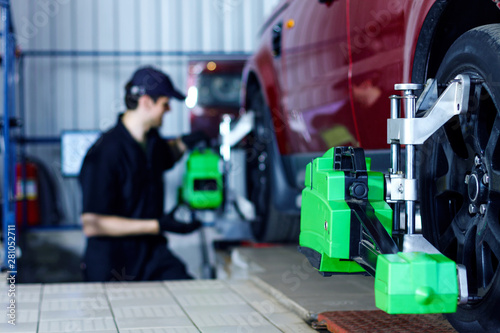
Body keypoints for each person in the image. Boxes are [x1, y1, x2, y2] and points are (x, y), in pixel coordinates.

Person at [79, 66, 203, 282]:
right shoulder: (105, 154)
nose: (169, 110)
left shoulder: (151, 140)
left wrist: (187, 141)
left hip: (151, 254)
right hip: (114, 262)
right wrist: (159, 225)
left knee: (188, 293)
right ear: (146, 102)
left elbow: (166, 157)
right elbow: (92, 224)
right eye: (165, 104)